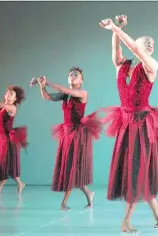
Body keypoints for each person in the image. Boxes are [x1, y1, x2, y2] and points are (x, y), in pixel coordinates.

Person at [99, 15, 158, 232]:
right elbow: (117, 52)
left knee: (137, 168)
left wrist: (116, 28)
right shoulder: (122, 65)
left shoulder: (151, 65)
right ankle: (157, 211)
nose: (150, 45)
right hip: (125, 123)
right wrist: (116, 29)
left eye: (153, 44)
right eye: (146, 42)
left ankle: (126, 220)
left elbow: (135, 50)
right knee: (133, 169)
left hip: (142, 125)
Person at [31, 67, 101, 211]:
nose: (72, 76)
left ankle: (64, 202)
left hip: (77, 134)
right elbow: (47, 97)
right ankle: (89, 193)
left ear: (81, 80)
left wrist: (48, 82)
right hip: (66, 132)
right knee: (69, 165)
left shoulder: (82, 93)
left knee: (70, 166)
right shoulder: (66, 96)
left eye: (76, 75)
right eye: (70, 75)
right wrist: (41, 85)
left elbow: (66, 90)